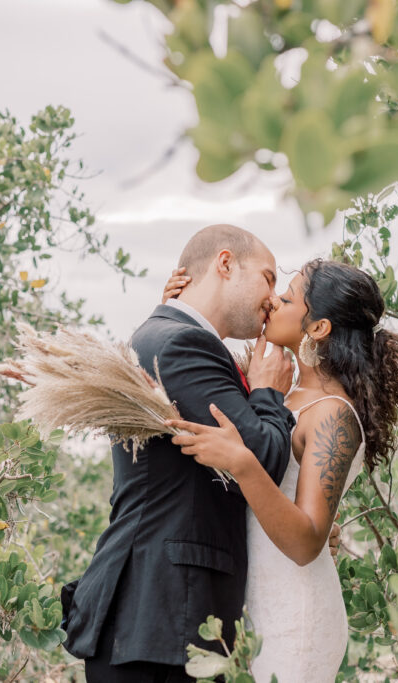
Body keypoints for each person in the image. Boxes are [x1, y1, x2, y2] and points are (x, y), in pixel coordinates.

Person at [60, 224, 297, 682]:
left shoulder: (165, 333)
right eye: (269, 278)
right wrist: (268, 391)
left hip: (158, 619)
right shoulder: (183, 343)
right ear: (226, 264)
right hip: (161, 617)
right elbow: (261, 460)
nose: (272, 297)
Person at [165, 258, 398, 682]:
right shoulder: (278, 389)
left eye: (286, 298)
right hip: (247, 606)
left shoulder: (333, 414)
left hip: (295, 616)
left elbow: (306, 543)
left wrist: (242, 464)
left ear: (318, 328)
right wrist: (180, 309)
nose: (272, 303)